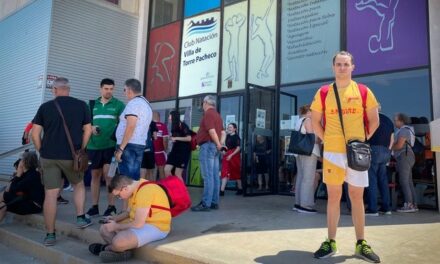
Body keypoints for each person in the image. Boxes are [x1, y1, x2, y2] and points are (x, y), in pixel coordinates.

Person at [310, 51, 381, 263]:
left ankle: (361, 243)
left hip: (356, 153)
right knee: (333, 197)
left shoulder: (363, 91)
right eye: (338, 64)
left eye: (346, 64)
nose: (342, 68)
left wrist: (360, 141)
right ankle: (330, 241)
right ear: (333, 67)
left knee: (357, 196)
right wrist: (328, 140)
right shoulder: (323, 92)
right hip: (332, 153)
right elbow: (315, 122)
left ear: (353, 67)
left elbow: (374, 121)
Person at [32, 77, 92, 246]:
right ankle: (80, 218)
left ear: (54, 90)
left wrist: (42, 150)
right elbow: (87, 130)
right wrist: (81, 148)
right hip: (71, 156)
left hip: (49, 157)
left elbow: (34, 134)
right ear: (69, 89)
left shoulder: (45, 107)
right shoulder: (81, 105)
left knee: (51, 194)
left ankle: (50, 235)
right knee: (78, 184)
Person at [88, 174, 170, 263]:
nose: (119, 198)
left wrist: (116, 227)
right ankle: (121, 251)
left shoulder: (145, 191)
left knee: (118, 241)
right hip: (141, 223)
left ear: (125, 188)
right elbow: (128, 213)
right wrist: (115, 218)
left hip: (156, 226)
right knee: (104, 229)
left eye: (118, 195)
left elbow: (138, 223)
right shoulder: (135, 189)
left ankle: (106, 248)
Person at [86, 78, 125, 219]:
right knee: (95, 176)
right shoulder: (91, 105)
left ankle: (111, 207)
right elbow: (84, 124)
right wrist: (91, 127)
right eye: (106, 89)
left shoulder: (119, 105)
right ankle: (94, 207)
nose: (109, 91)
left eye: (111, 89)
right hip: (93, 147)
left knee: (109, 176)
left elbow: (125, 125)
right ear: (100, 89)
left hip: (110, 147)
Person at [192, 95, 225, 211]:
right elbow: (223, 132)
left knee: (208, 176)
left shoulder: (208, 114)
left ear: (206, 102)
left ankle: (206, 203)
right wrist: (220, 144)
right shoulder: (218, 115)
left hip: (208, 146)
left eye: (203, 102)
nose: (202, 104)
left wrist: (218, 144)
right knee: (215, 176)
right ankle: (214, 202)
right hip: (214, 147)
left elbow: (211, 131)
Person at [115, 79, 152, 181]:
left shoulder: (134, 103)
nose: (124, 92)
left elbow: (131, 126)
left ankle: (129, 197)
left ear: (129, 90)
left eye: (124, 89)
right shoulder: (146, 104)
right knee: (133, 177)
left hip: (128, 145)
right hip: (137, 144)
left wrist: (121, 148)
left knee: (127, 180)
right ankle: (133, 196)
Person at [365, 106, 394, 216]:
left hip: (373, 150)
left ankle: (373, 209)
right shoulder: (388, 120)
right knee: (383, 180)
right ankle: (386, 208)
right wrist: (389, 151)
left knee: (372, 179)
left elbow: (366, 135)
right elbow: (392, 139)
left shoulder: (370, 119)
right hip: (386, 151)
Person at [0, 151, 44, 222]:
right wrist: (18, 175)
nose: (20, 161)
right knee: (3, 205)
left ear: (25, 162)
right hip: (26, 201)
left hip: (32, 206)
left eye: (22, 159)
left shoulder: (31, 176)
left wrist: (18, 175)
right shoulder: (29, 174)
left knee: (3, 195)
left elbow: (11, 190)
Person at [293, 104, 320, 214]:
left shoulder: (299, 120)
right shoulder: (308, 120)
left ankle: (298, 203)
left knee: (300, 177)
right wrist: (321, 139)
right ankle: (305, 205)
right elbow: (312, 138)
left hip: (299, 152)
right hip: (309, 152)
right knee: (308, 178)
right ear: (309, 111)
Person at [392, 113, 418, 213]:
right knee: (409, 182)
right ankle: (413, 205)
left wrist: (389, 147)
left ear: (401, 121)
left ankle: (409, 205)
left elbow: (399, 146)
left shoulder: (404, 130)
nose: (395, 122)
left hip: (404, 156)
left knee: (403, 181)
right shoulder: (408, 129)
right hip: (408, 156)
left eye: (396, 120)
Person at [164, 110, 192, 180]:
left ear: (174, 117)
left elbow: (189, 138)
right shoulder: (173, 127)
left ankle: (183, 190)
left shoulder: (183, 125)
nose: (168, 118)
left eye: (170, 116)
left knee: (177, 173)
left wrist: (176, 138)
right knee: (166, 170)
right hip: (175, 150)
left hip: (183, 151)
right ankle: (172, 187)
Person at [220, 123, 242, 196]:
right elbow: (224, 146)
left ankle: (240, 188)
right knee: (225, 171)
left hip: (234, 156)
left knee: (236, 172)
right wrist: (223, 150)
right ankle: (222, 191)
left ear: (235, 129)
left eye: (230, 127)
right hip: (227, 155)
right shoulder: (226, 136)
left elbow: (238, 148)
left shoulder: (237, 137)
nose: (229, 128)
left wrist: (231, 155)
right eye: (228, 127)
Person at [153, 111, 169, 179]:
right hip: (160, 152)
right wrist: (165, 150)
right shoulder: (163, 126)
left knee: (153, 171)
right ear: (159, 117)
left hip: (151, 152)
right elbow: (165, 140)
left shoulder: (148, 126)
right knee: (161, 171)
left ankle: (152, 188)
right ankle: (162, 187)